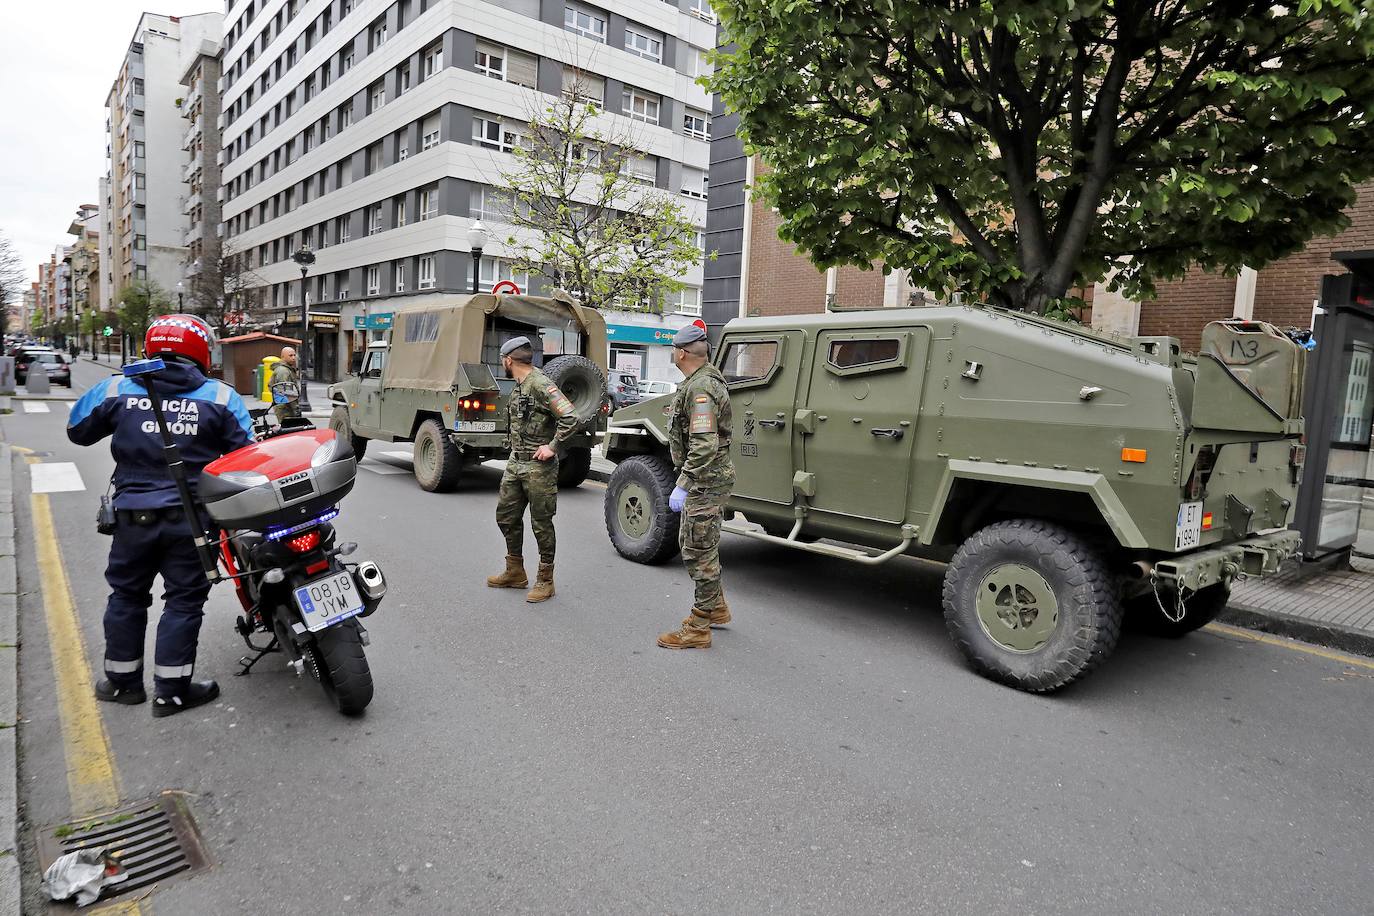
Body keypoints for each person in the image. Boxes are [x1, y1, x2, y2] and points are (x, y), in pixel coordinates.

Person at [68, 314, 254, 716]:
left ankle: (122, 684)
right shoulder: (221, 397)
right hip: (191, 520)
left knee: (127, 596)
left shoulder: (117, 386)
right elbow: (247, 456)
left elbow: (77, 429)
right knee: (184, 602)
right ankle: (171, 693)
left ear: (150, 347)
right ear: (203, 350)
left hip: (132, 515)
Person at [657, 324, 735, 649]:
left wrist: (684, 484)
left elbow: (704, 445)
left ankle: (699, 627)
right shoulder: (700, 381)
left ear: (681, 352)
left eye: (674, 349)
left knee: (697, 551)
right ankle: (715, 608)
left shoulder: (701, 388)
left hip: (705, 481)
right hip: (708, 479)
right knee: (703, 546)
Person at [485, 336, 577, 602]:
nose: (503, 363)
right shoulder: (520, 385)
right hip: (516, 462)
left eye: (503, 360)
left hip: (539, 466)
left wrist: (553, 446)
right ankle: (515, 571)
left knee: (541, 523)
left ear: (508, 360)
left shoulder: (541, 384)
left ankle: (545, 580)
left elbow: (571, 417)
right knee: (506, 516)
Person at [270, 347, 301, 422]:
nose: (293, 358)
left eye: (294, 355)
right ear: (283, 357)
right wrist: (296, 409)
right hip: (286, 409)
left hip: (285, 407)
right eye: (290, 355)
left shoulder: (287, 369)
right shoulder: (283, 371)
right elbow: (286, 392)